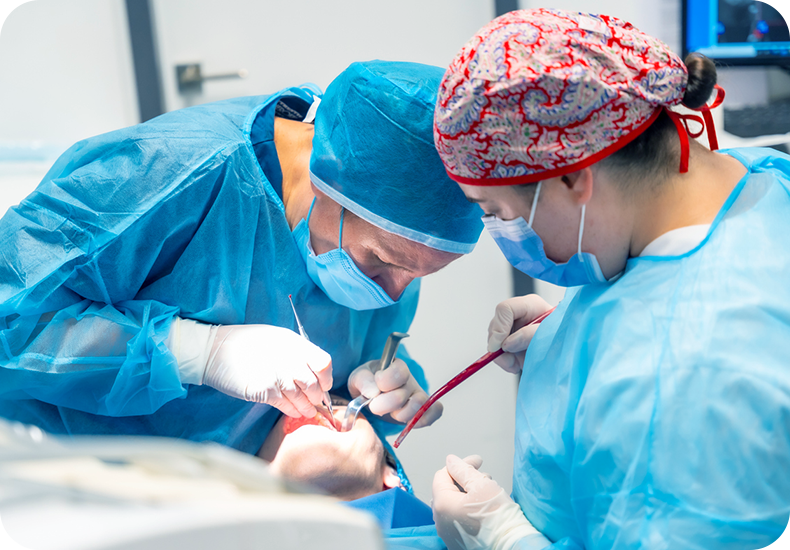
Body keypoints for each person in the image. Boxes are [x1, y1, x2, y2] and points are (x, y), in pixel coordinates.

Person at [430, 9, 790, 550]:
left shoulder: (689, 383)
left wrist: (503, 539)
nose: (498, 231)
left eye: (496, 211)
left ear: (574, 177)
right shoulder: (754, 176)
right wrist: (576, 334)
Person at [0, 61, 483, 456]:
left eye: (422, 274)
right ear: (324, 183)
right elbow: (11, 321)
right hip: (70, 477)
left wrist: (381, 382)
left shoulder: (401, 237)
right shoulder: (172, 169)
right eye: (380, 261)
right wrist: (198, 352)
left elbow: (362, 336)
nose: (394, 290)